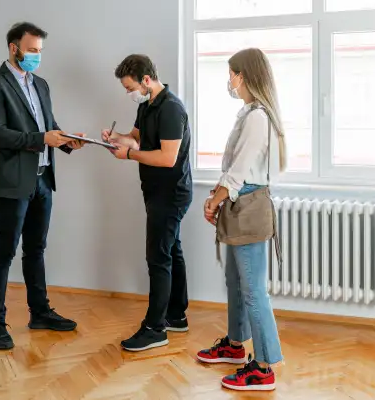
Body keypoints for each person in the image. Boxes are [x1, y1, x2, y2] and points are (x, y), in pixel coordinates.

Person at [0, 21, 85, 350]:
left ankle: (40, 312)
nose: (37, 57)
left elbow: (49, 126)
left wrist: (67, 142)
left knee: (36, 250)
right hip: (11, 183)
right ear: (14, 48)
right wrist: (42, 138)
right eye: (33, 50)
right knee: (4, 253)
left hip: (42, 181)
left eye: (40, 51)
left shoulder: (41, 84)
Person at [196, 48, 286, 392]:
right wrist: (217, 198)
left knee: (253, 292)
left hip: (248, 206)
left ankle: (264, 367)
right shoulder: (248, 113)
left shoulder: (258, 117)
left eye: (231, 73)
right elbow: (233, 168)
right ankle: (236, 345)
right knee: (235, 282)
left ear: (243, 75)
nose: (229, 80)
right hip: (239, 203)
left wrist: (215, 200)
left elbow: (238, 172)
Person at [102, 54, 193, 352]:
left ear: (146, 80)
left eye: (129, 88)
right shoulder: (148, 105)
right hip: (154, 191)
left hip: (171, 193)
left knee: (158, 257)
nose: (128, 94)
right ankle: (176, 315)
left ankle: (155, 329)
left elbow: (167, 158)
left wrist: (128, 155)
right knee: (171, 250)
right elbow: (137, 139)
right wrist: (117, 138)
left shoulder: (172, 109)